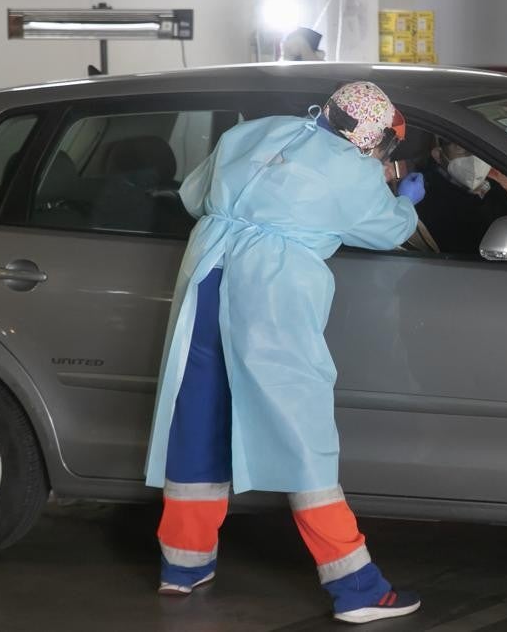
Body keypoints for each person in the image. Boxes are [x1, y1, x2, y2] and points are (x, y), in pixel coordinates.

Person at [144, 81, 426, 624]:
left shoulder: (250, 132)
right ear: (369, 136)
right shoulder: (353, 170)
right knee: (302, 430)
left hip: (205, 276)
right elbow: (388, 232)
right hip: (268, 292)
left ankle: (183, 566)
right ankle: (356, 584)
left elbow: (192, 197)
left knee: (198, 417)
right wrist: (404, 203)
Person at [416, 138, 507, 255]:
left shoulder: (491, 186)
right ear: (438, 155)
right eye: (460, 148)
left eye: (478, 149)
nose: (473, 157)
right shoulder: (429, 196)